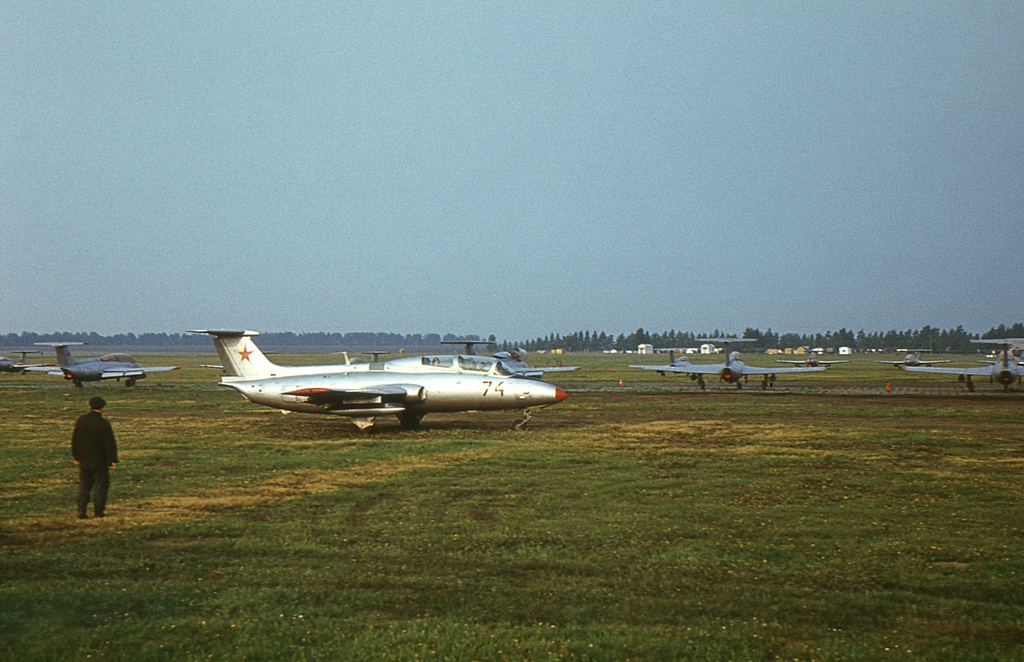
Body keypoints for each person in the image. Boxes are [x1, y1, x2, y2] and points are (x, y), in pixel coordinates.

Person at [71, 396, 118, 519]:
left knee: (84, 485)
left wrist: (76, 455)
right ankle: (98, 511)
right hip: (99, 459)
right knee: (100, 485)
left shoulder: (81, 420)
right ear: (102, 407)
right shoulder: (103, 423)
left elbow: (75, 439)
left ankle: (81, 510)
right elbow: (109, 443)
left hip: (84, 458)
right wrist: (112, 459)